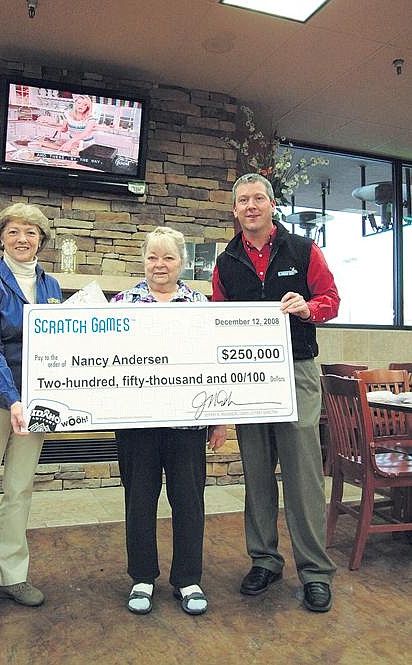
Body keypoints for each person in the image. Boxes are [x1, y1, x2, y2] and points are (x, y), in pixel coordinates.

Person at [211, 173, 339, 613]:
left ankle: (315, 572)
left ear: (271, 205)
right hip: (249, 377)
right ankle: (264, 560)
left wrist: (309, 308)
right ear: (234, 210)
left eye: (258, 199)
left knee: (303, 476)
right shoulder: (226, 260)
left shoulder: (303, 250)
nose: (251, 206)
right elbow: (217, 320)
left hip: (297, 371)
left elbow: (332, 299)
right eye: (243, 200)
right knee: (257, 472)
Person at [110, 226, 225, 616]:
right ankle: (142, 578)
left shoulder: (200, 304)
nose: (159, 265)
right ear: (143, 260)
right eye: (152, 257)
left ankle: (188, 579)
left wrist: (219, 420)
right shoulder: (122, 304)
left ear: (182, 262)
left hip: (188, 426)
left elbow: (214, 364)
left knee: (189, 502)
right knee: (139, 500)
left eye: (168, 257)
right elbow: (103, 361)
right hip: (137, 427)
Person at [0, 203, 62, 629]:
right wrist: (12, 399)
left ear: (42, 240)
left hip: (35, 401)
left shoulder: (52, 284)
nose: (23, 239)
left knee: (20, 490)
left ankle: (13, 575)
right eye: (15, 231)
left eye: (32, 232)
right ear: (1, 237)